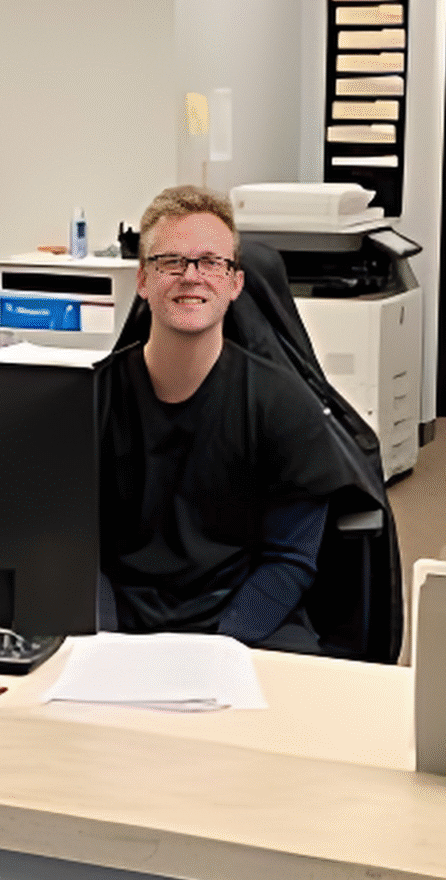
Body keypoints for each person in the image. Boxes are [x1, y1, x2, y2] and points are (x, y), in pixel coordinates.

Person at [97, 186, 345, 651]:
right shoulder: (93, 400)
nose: (191, 276)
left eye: (211, 263)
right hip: (121, 623)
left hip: (242, 621)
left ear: (235, 284)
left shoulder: (284, 403)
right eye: (171, 262)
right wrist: (106, 645)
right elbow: (74, 549)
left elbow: (290, 558)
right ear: (143, 280)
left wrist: (218, 649)